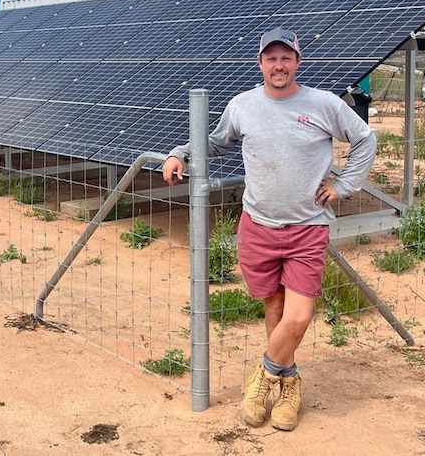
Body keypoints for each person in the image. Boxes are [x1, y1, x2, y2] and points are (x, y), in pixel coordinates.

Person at [161, 26, 377, 431]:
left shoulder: (324, 104)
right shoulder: (243, 105)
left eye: (286, 58)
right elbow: (216, 142)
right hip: (257, 225)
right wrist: (179, 153)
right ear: (260, 63)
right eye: (271, 58)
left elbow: (365, 139)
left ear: (298, 61)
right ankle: (288, 384)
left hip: (307, 226)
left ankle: (262, 378)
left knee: (298, 317)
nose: (279, 65)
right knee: (275, 310)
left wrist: (344, 185)